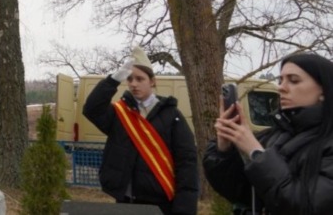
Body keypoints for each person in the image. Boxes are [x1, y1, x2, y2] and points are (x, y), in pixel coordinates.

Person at [203, 52, 333, 214]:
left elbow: (307, 206)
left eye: (294, 80)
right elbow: (239, 192)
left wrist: (257, 153)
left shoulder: (328, 143)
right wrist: (224, 150)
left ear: (323, 90)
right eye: (280, 80)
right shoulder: (272, 136)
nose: (281, 87)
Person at [82, 46, 198, 214]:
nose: (134, 84)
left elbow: (186, 162)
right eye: (129, 79)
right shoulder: (119, 114)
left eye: (140, 79)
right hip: (126, 200)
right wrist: (113, 81)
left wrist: (184, 209)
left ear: (152, 81)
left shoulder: (172, 115)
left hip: (160, 203)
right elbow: (91, 110)